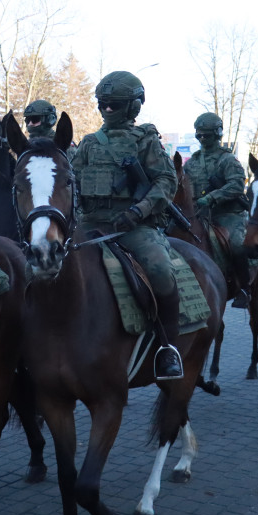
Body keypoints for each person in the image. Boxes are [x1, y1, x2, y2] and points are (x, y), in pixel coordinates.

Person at [69, 70, 183, 380]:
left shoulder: (146, 140)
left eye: (114, 104)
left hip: (133, 227)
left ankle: (168, 347)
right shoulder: (90, 143)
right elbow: (71, 182)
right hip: (90, 224)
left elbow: (166, 180)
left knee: (160, 269)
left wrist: (138, 211)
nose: (107, 110)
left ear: (133, 107)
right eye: (103, 104)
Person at [183, 112, 252, 309]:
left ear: (217, 135)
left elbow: (237, 185)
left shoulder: (227, 160)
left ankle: (244, 288)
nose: (203, 139)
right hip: (199, 213)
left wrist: (212, 197)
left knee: (237, 244)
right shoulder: (192, 162)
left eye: (208, 135)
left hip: (227, 214)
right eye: (200, 135)